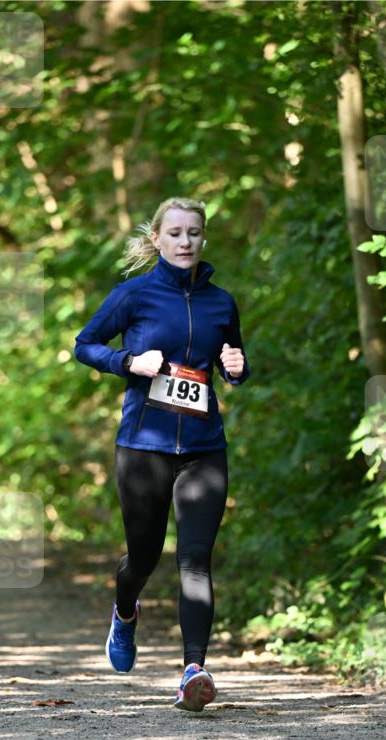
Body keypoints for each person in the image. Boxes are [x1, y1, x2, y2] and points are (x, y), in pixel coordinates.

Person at [74, 196, 250, 711]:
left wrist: (237, 367)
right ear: (157, 239)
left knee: (195, 560)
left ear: (203, 239)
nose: (184, 242)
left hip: (203, 449)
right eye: (174, 233)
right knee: (145, 557)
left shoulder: (222, 303)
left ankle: (194, 670)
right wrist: (128, 361)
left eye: (193, 233)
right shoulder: (133, 296)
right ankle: (125, 610)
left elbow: (232, 365)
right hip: (143, 447)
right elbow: (84, 344)